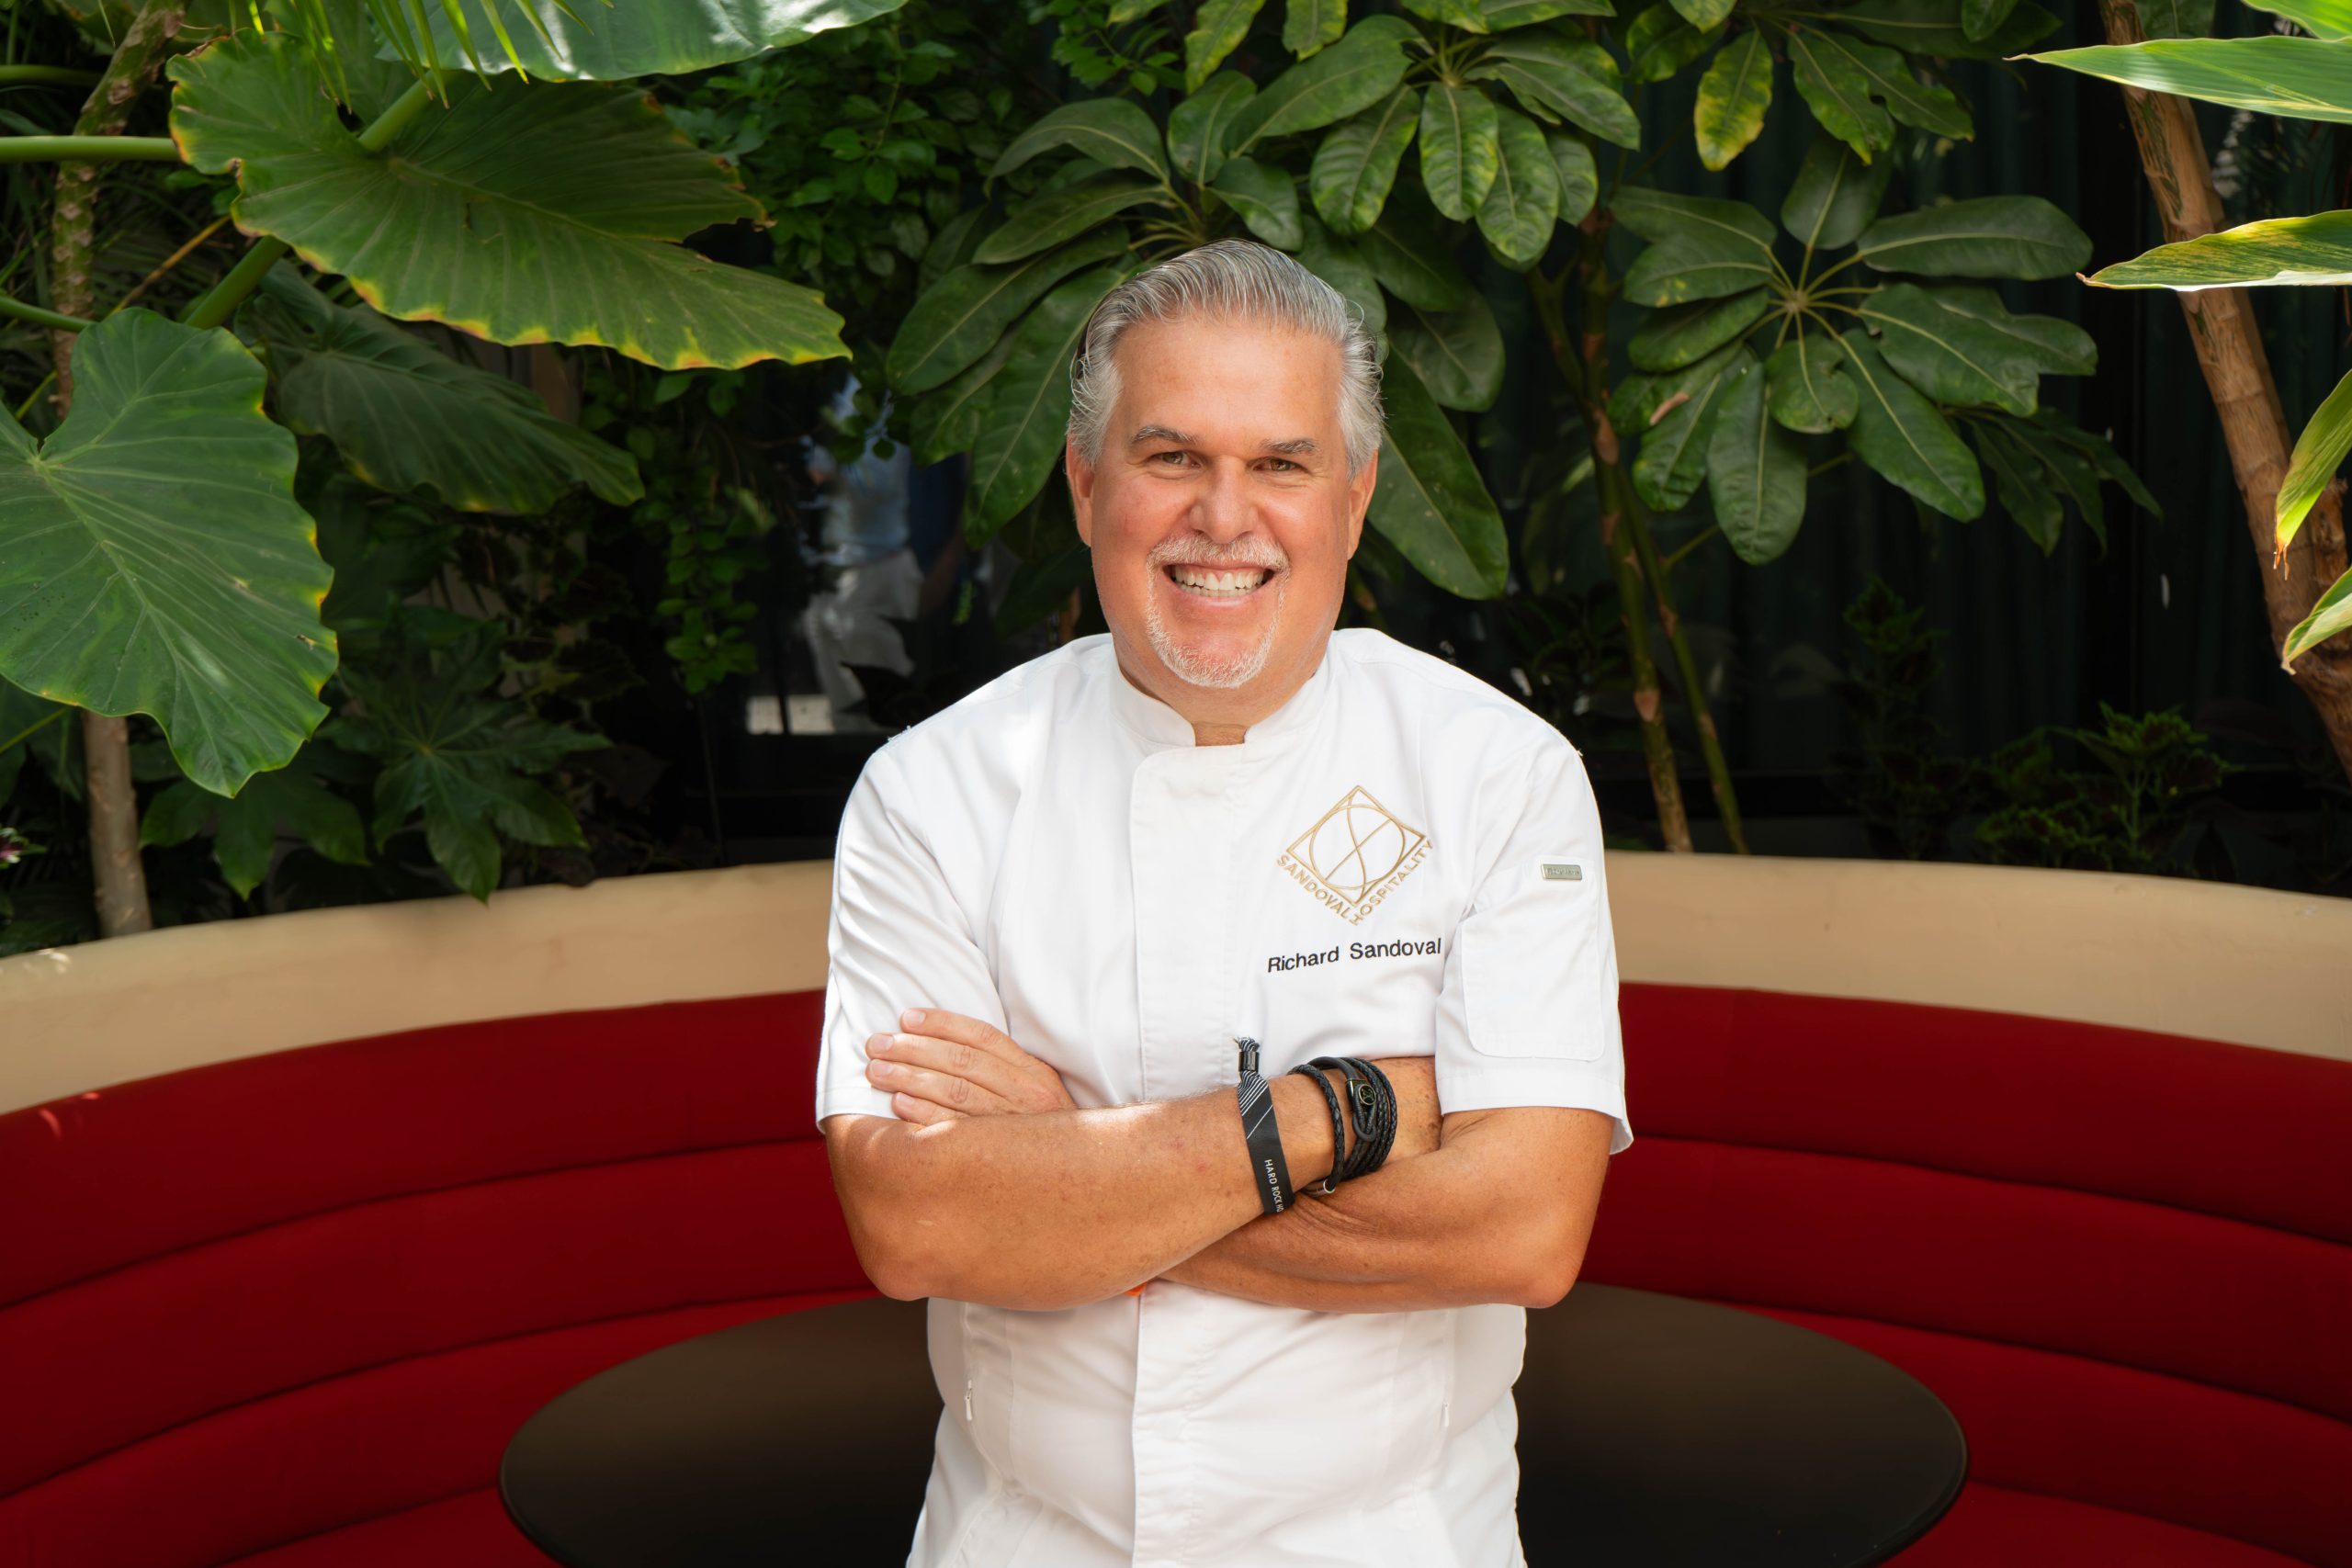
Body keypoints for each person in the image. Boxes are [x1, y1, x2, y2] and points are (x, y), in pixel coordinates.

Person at [814, 239, 1632, 1567]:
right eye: (1172, 456)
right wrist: (1349, 1108)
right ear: (1086, 484)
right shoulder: (933, 791)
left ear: (1356, 500)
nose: (1224, 515)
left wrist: (1070, 1166)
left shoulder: (1499, 775)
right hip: (1027, 1540)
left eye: (1281, 464)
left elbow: (1528, 1231)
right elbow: (917, 1223)